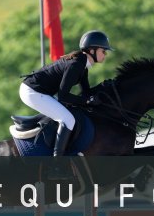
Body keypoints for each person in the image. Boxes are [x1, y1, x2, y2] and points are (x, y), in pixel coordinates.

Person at [19, 30, 113, 158]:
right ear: (92, 50)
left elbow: (86, 92)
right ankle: (57, 162)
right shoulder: (76, 65)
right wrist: (88, 101)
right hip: (32, 91)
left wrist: (104, 89)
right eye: (103, 51)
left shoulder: (82, 65)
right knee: (68, 119)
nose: (105, 54)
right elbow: (63, 96)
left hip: (39, 91)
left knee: (68, 114)